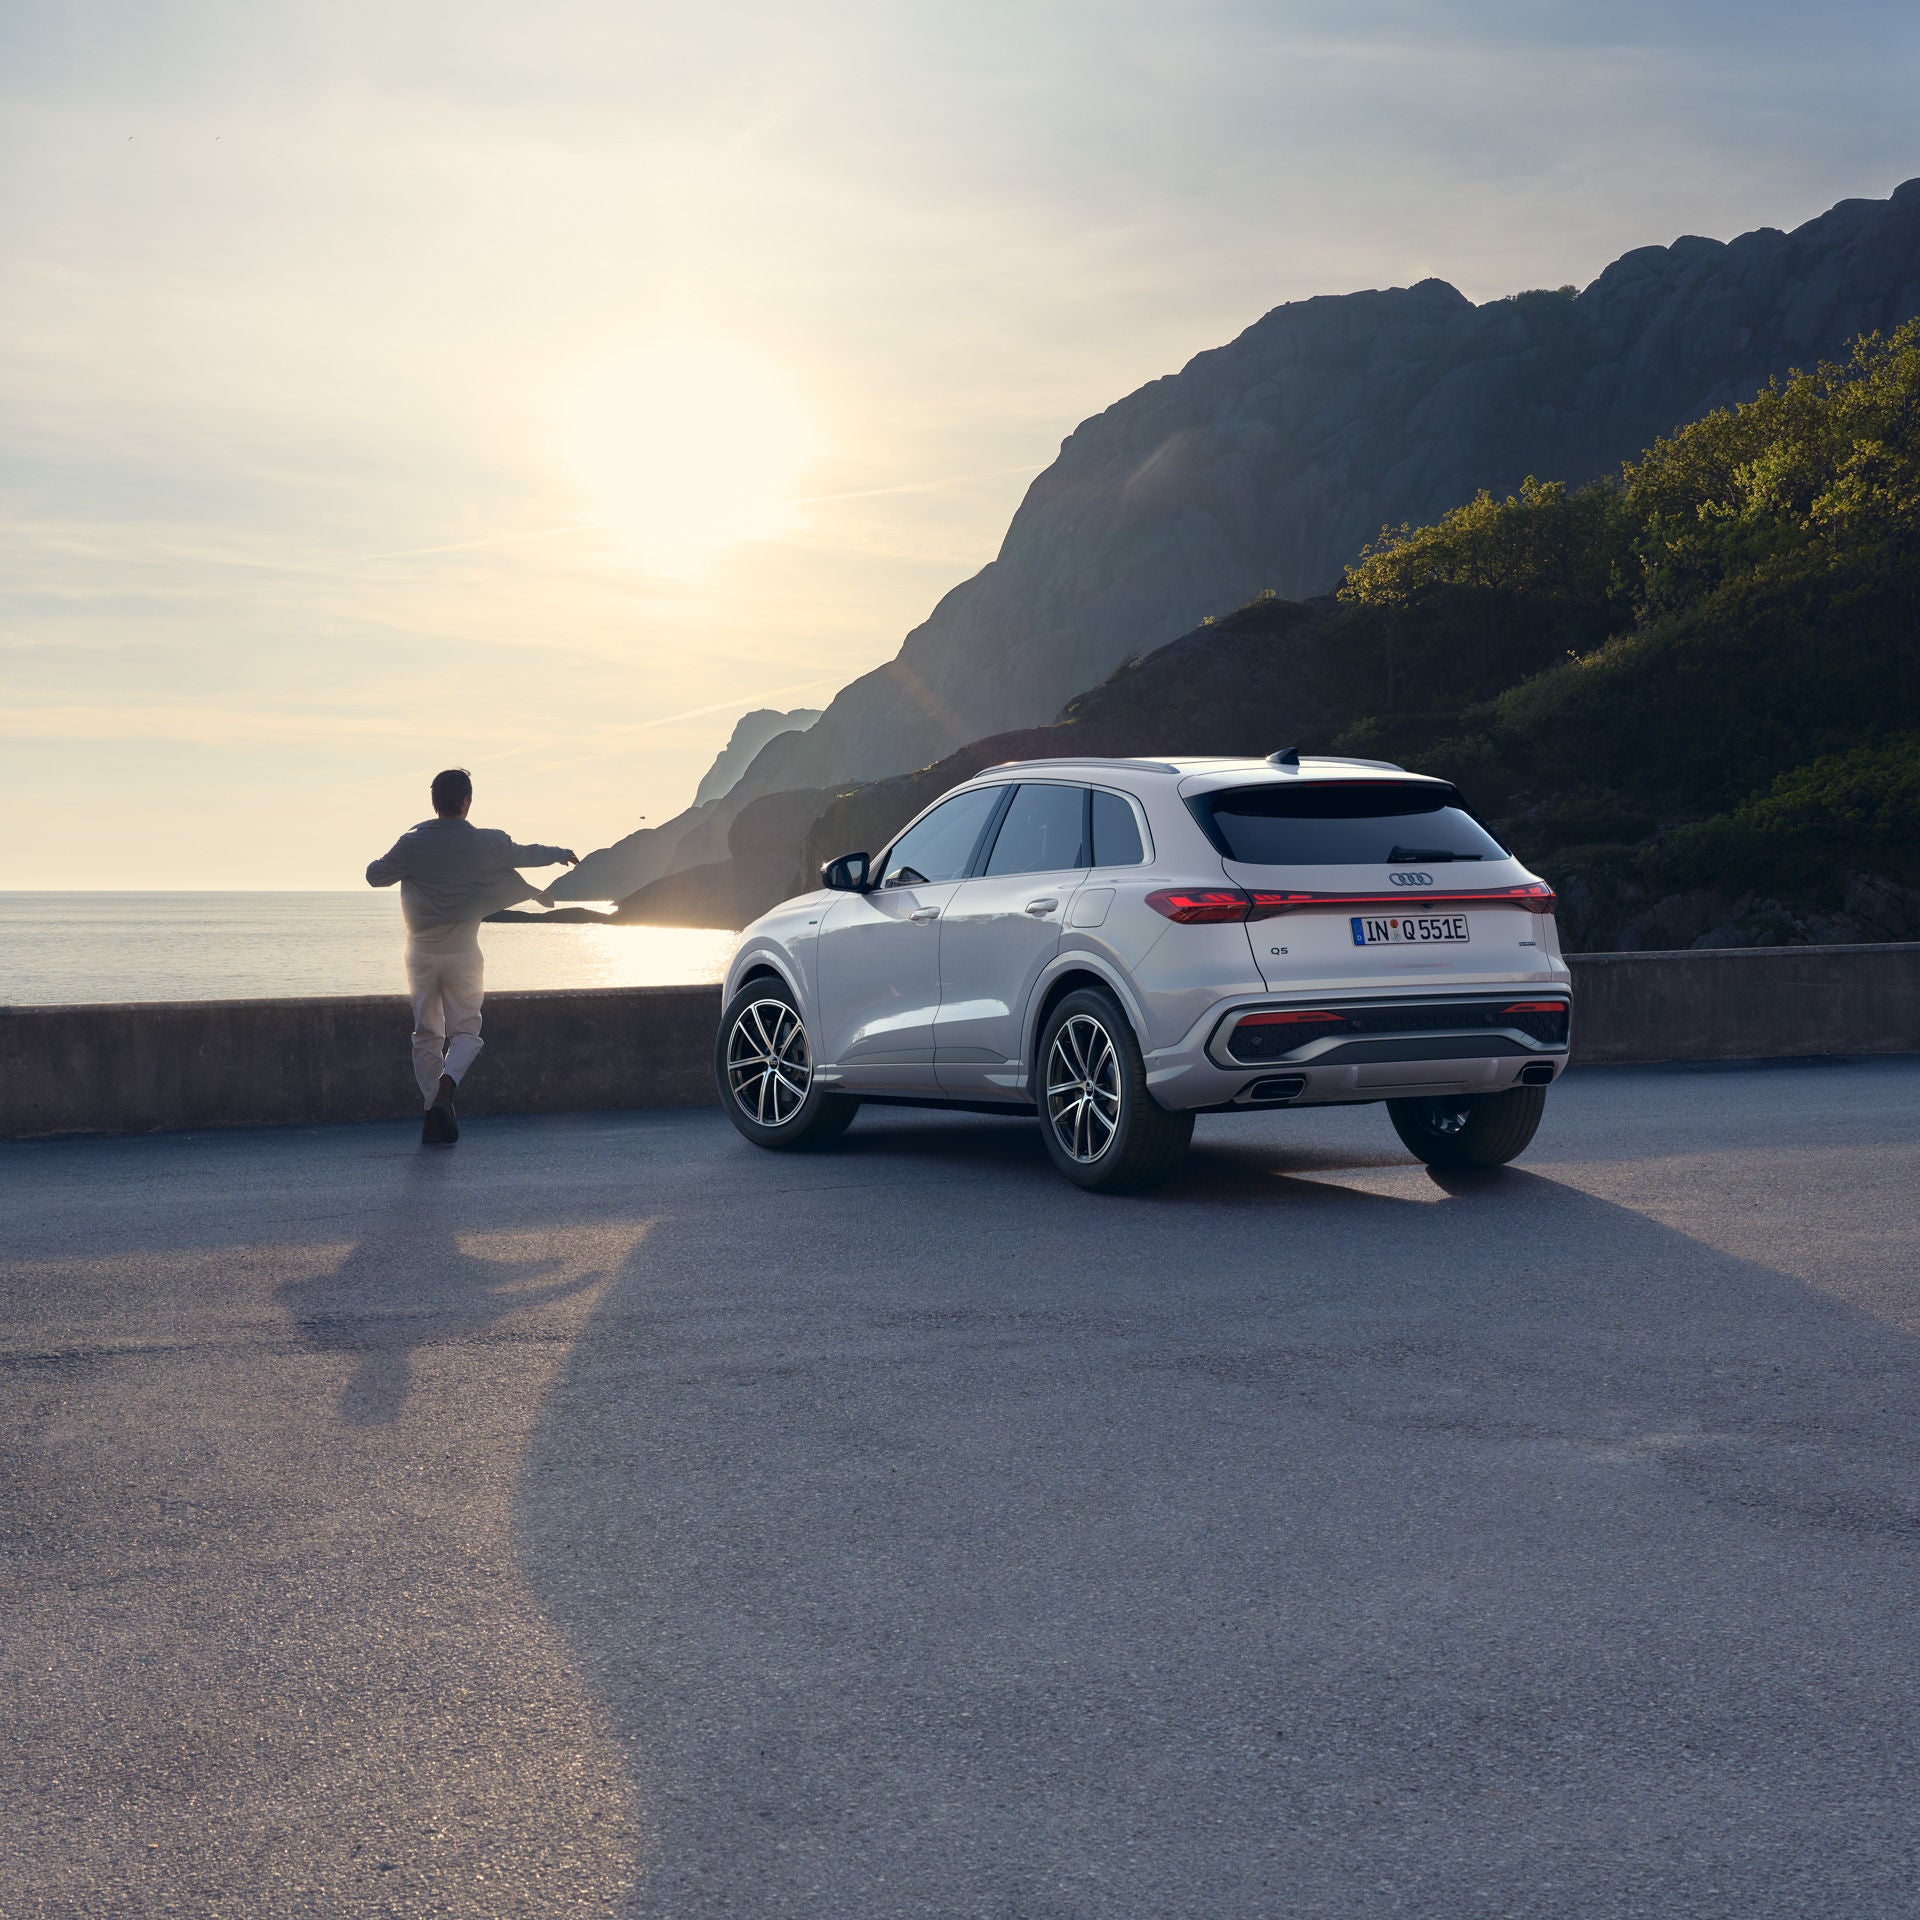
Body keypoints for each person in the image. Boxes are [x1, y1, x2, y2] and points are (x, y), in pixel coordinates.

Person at [365, 768, 578, 1145]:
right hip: (463, 952)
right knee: (466, 1031)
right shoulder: (487, 843)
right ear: (466, 802)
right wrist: (559, 854)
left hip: (420, 954)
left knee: (426, 1034)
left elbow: (374, 876)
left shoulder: (412, 844)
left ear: (434, 802)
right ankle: (445, 1092)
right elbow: (527, 855)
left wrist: (409, 851)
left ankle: (434, 1111)